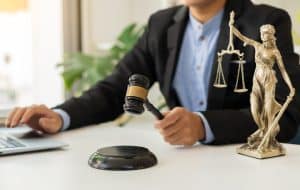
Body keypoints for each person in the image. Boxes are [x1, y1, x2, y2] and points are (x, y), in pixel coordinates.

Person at [5, 0, 300, 145]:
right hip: (182, 170)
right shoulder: (162, 25)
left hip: (246, 172)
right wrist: (59, 117)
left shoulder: (266, 23)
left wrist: (202, 126)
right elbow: (115, 89)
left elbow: (283, 119)